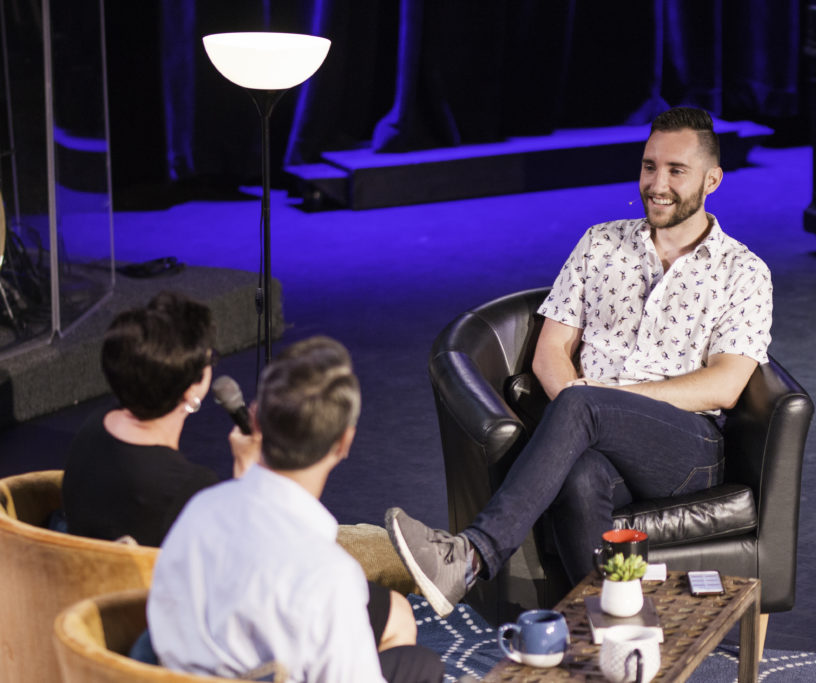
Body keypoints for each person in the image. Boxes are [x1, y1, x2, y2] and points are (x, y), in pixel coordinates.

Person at [386, 107, 773, 618]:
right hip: (594, 430)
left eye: (675, 171)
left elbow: (724, 385)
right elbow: (551, 351)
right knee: (579, 477)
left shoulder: (744, 273)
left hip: (684, 448)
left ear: (712, 179)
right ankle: (615, 630)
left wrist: (602, 403)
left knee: (584, 404)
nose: (656, 184)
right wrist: (587, 408)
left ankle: (472, 555)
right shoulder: (599, 245)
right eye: (648, 166)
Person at [147, 336, 444, 683]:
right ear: (344, 443)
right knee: (423, 667)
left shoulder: (199, 511)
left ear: (255, 419)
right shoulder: (330, 577)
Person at [61, 291, 246, 547]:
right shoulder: (189, 487)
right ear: (190, 390)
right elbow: (234, 559)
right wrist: (247, 476)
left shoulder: (93, 428)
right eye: (210, 357)